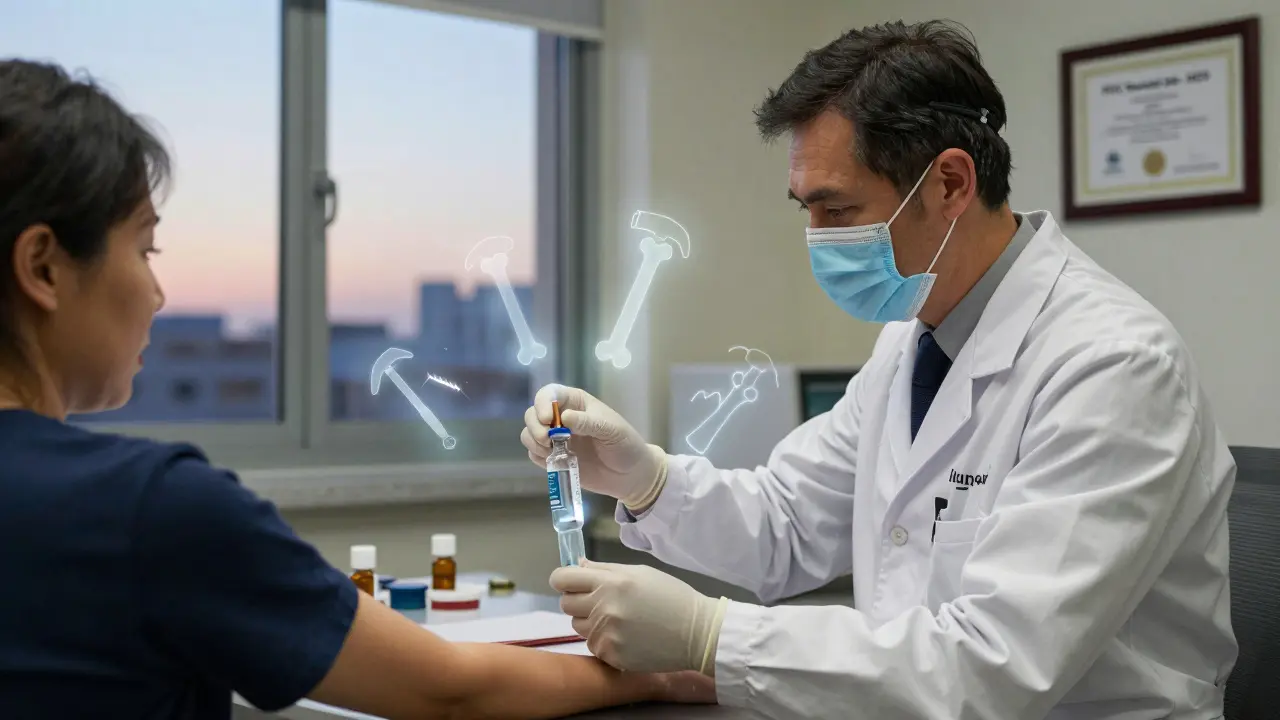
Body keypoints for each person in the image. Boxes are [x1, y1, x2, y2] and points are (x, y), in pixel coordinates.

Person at [523, 19, 1237, 720]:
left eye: (838, 210)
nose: (816, 241)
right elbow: (789, 523)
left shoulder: (1112, 365)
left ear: (950, 183)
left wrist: (714, 637)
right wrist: (641, 477)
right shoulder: (913, 341)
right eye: (806, 210)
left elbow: (995, 665)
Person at [0, 59, 715, 719]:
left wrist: (647, 479)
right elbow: (448, 690)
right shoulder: (153, 510)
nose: (156, 292)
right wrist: (659, 672)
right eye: (144, 248)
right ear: (43, 266)